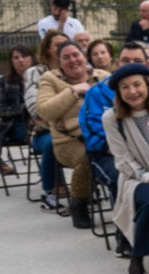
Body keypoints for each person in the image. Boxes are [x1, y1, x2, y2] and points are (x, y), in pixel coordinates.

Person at [37, 40, 109, 228]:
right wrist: (74, 91)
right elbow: (45, 111)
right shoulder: (50, 79)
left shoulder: (102, 76)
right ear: (59, 62)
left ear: (84, 57)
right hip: (68, 142)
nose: (73, 60)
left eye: (76, 55)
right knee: (88, 156)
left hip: (105, 136)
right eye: (66, 57)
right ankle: (79, 205)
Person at [103, 63, 149, 274]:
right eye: (125, 87)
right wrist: (148, 178)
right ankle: (137, 259)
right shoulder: (112, 118)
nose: (132, 91)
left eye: (137, 84)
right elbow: (122, 158)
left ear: (147, 86)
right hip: (134, 178)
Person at [80, 41, 149, 219]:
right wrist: (126, 154)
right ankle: (125, 234)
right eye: (126, 60)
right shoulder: (97, 93)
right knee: (122, 176)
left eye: (137, 61)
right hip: (108, 155)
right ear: (117, 64)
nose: (131, 65)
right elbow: (93, 133)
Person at [25, 30, 69, 211]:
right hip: (44, 132)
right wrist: (66, 105)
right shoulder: (35, 73)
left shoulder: (73, 69)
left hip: (71, 129)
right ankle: (48, 192)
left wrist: (56, 108)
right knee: (52, 143)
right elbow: (35, 108)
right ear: (47, 49)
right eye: (57, 45)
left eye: (65, 44)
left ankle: (88, 192)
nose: (62, 49)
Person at [0, 46, 35, 176]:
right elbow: (1, 110)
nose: (21, 60)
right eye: (16, 57)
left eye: (24, 56)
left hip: (41, 120)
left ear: (31, 58)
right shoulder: (4, 82)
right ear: (11, 61)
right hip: (15, 126)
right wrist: (23, 109)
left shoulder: (40, 78)